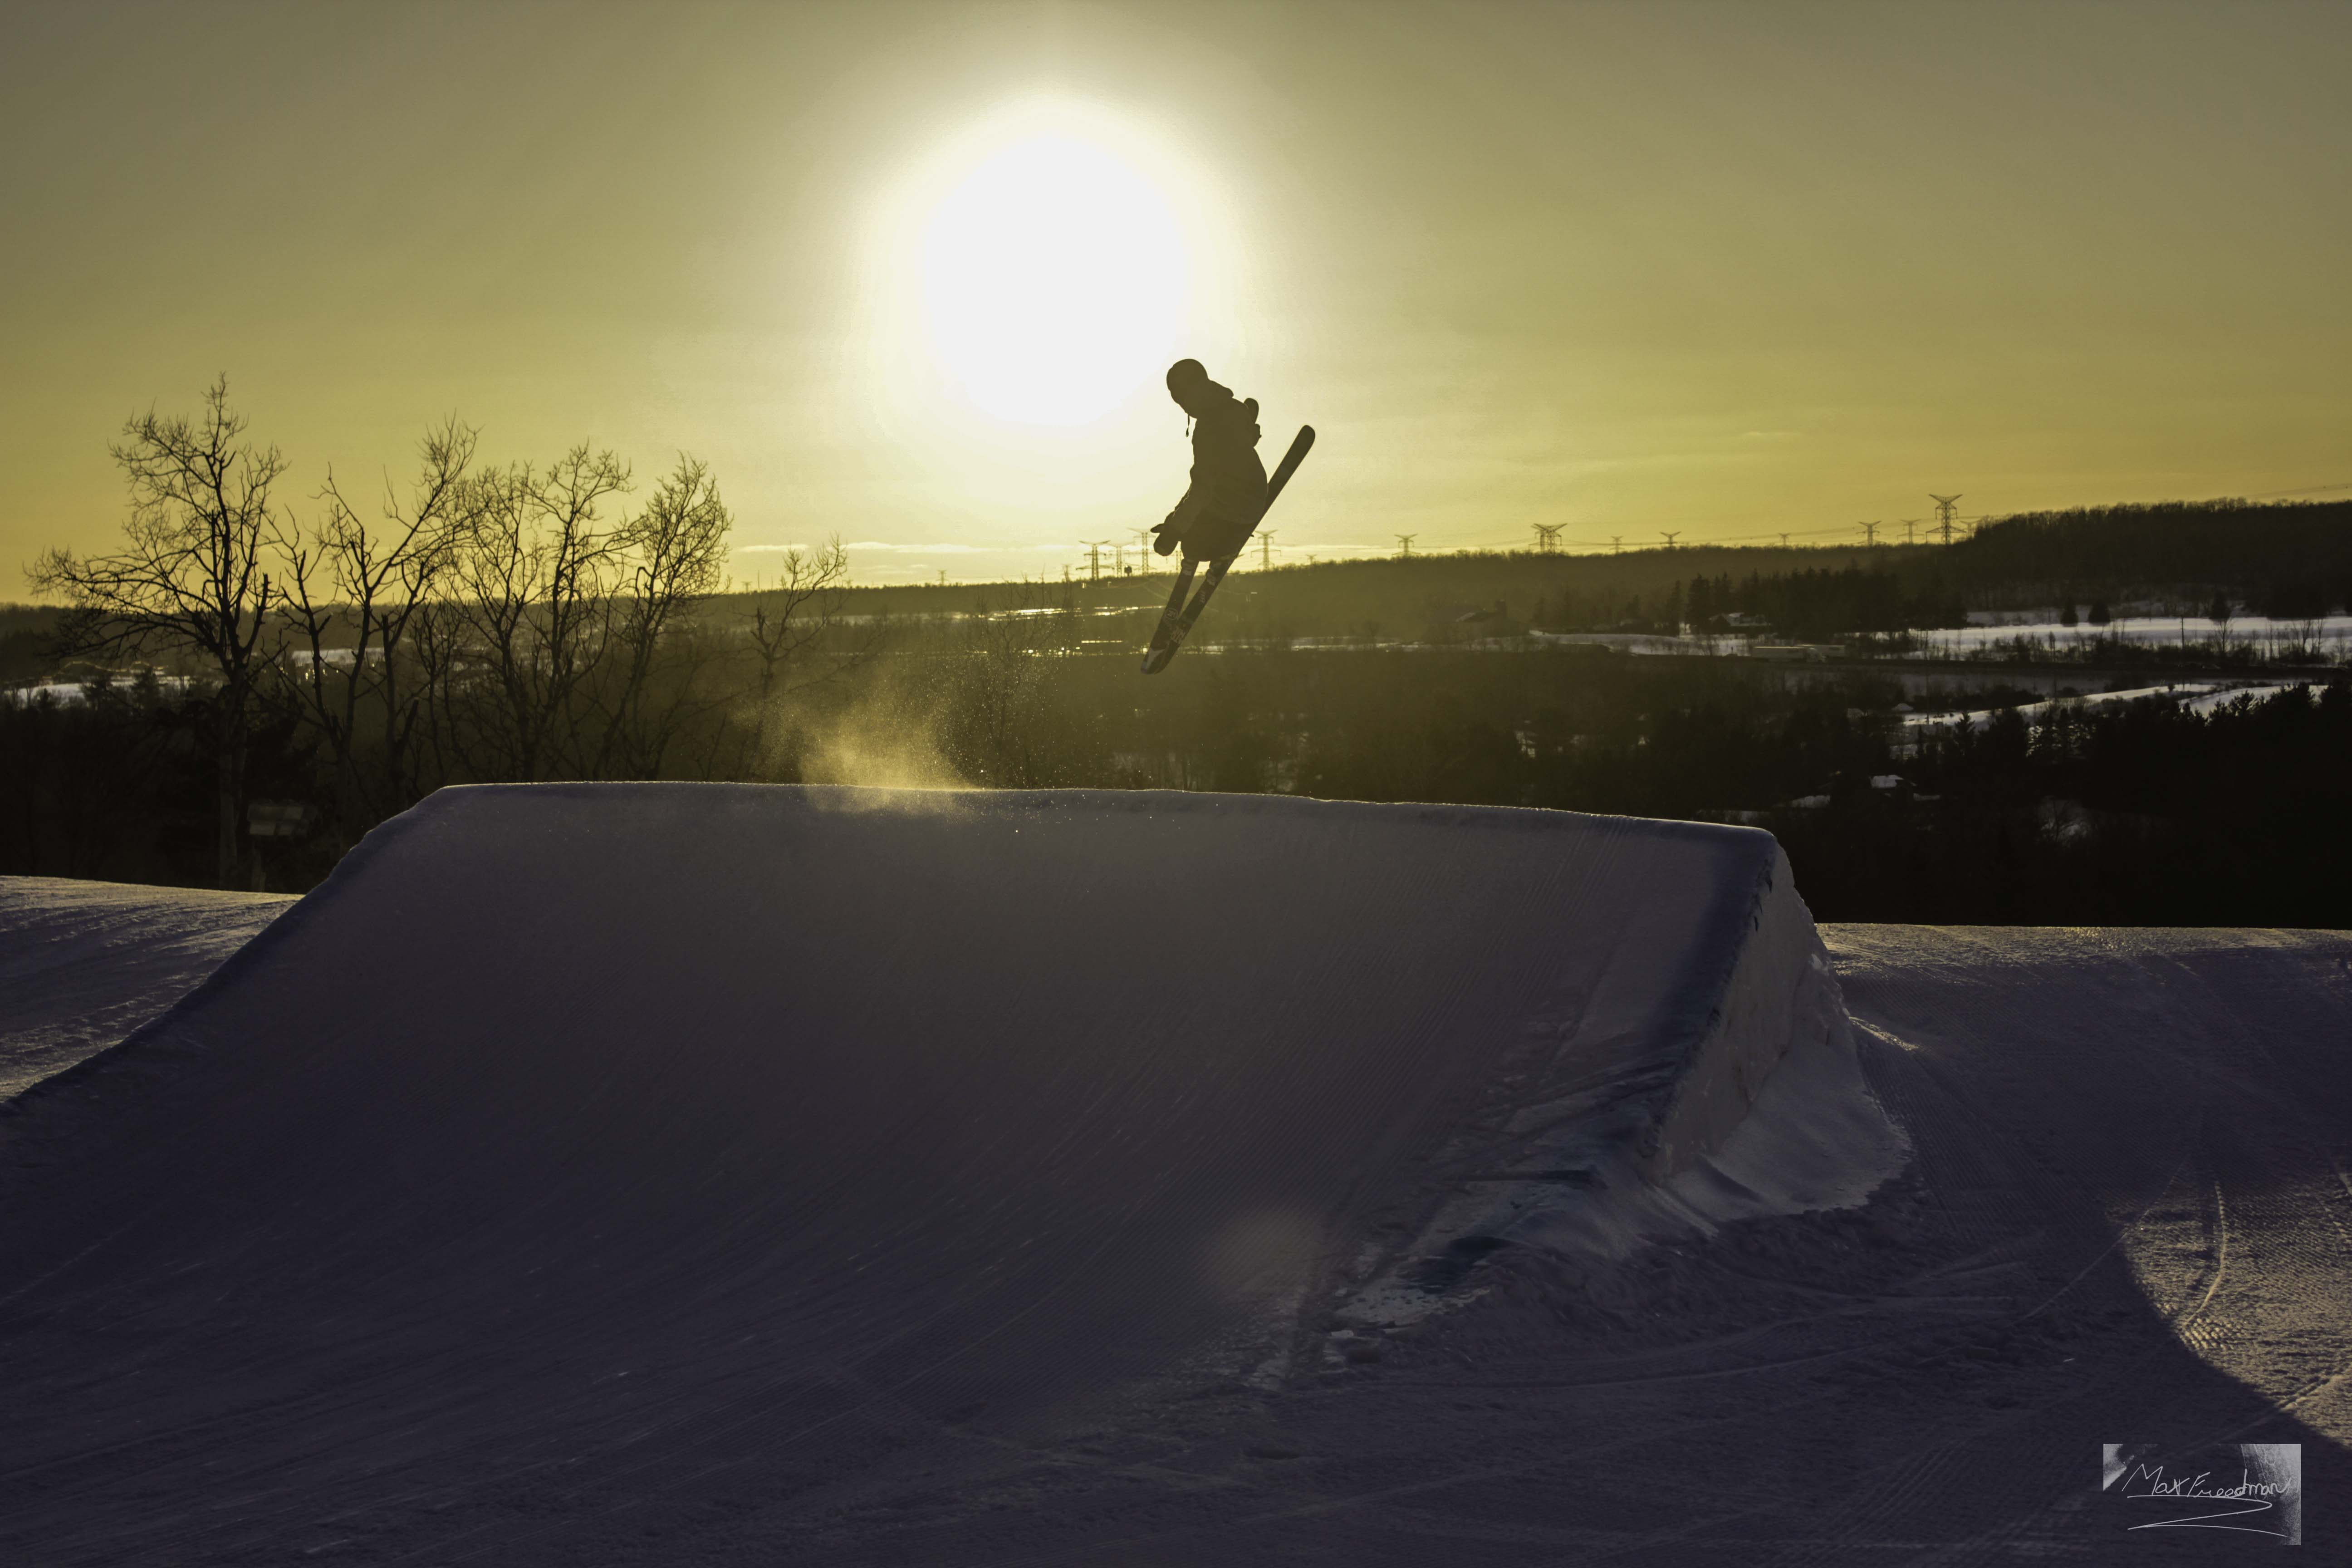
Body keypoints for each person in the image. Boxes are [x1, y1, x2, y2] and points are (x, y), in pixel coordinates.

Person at [1151, 359, 1270, 559]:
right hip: (1255, 495)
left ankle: (1223, 550)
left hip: (1234, 507)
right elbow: (1244, 442)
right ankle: (1212, 538)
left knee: (1191, 548)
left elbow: (1201, 489)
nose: (1183, 407)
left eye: (1181, 400)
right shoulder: (1233, 408)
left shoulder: (1207, 430)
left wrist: (1174, 532)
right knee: (1189, 522)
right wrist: (1175, 521)